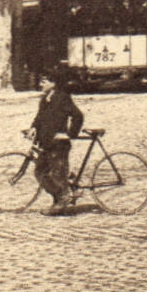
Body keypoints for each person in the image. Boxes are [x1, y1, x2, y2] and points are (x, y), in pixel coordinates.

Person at [31, 69, 84, 215]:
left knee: (56, 174)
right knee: (40, 171)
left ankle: (61, 200)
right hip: (46, 143)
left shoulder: (62, 98)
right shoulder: (44, 99)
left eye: (44, 81)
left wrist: (69, 135)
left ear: (53, 83)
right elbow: (39, 118)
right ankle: (60, 197)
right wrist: (33, 128)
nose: (40, 83)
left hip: (58, 145)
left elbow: (78, 116)